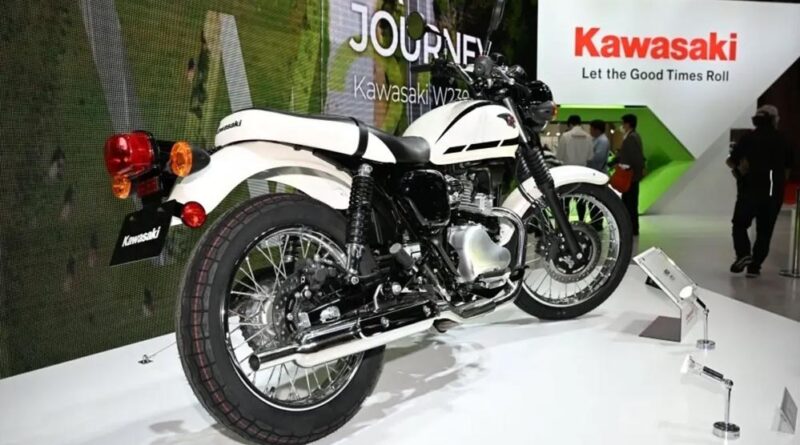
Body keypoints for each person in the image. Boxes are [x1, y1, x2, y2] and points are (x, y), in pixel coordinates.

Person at [727, 105, 793, 277]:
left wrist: (739, 172)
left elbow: (731, 161)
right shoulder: (782, 139)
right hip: (772, 190)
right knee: (765, 231)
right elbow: (788, 167)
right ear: (773, 119)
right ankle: (755, 267)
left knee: (740, 224)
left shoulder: (748, 138)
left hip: (749, 188)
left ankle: (743, 254)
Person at [616, 114, 645, 236]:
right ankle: (631, 228)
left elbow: (635, 158)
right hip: (632, 175)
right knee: (629, 202)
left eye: (623, 123)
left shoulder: (631, 138)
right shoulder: (632, 136)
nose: (622, 126)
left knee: (630, 203)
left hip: (630, 176)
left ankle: (632, 229)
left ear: (628, 124)